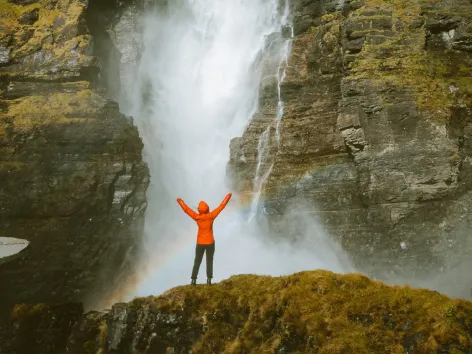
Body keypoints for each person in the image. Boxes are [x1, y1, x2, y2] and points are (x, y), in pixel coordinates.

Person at [176, 193, 232, 286]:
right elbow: (222, 206)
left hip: (200, 243)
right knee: (209, 261)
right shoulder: (211, 216)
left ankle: (193, 280)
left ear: (199, 210)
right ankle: (209, 280)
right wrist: (228, 196)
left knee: (197, 261)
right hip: (210, 242)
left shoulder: (197, 217)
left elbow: (186, 210)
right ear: (207, 208)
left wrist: (180, 201)